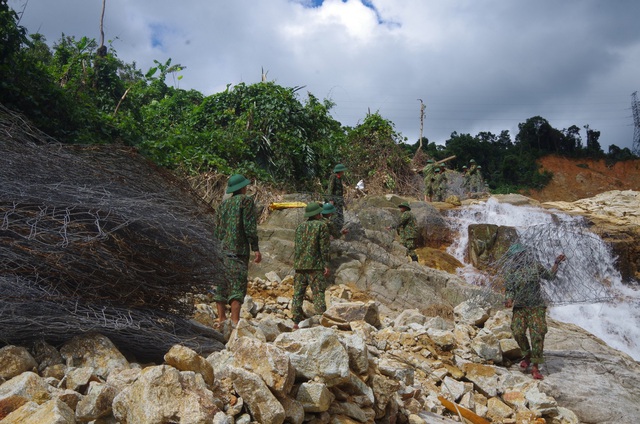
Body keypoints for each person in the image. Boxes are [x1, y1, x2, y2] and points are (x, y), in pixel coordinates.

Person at [504, 243, 566, 380]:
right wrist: (509, 300)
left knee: (537, 334)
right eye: (515, 257)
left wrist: (556, 263)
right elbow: (509, 289)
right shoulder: (511, 272)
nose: (517, 258)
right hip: (520, 307)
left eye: (519, 255)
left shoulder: (535, 266)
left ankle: (535, 367)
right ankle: (527, 355)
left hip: (536, 306)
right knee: (517, 331)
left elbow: (550, 276)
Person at [212, 174, 262, 327]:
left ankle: (221, 319)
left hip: (221, 250)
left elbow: (217, 230)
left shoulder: (222, 206)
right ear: (242, 187)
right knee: (237, 285)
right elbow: (249, 227)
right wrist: (255, 248)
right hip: (238, 250)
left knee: (221, 284)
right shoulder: (245, 201)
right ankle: (234, 321)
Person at [292, 202, 331, 329]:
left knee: (298, 294)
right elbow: (324, 248)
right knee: (318, 293)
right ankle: (320, 320)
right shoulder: (322, 226)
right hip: (315, 266)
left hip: (299, 266)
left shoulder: (300, 227)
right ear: (318, 214)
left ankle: (295, 322)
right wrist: (326, 264)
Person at [325, 164, 346, 231]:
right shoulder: (333, 177)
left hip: (339, 201)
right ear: (339, 171)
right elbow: (330, 188)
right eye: (342, 171)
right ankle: (332, 232)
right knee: (335, 216)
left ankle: (338, 232)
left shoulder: (339, 178)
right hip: (334, 201)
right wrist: (331, 199)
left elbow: (340, 192)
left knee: (340, 217)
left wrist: (343, 202)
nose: (343, 172)